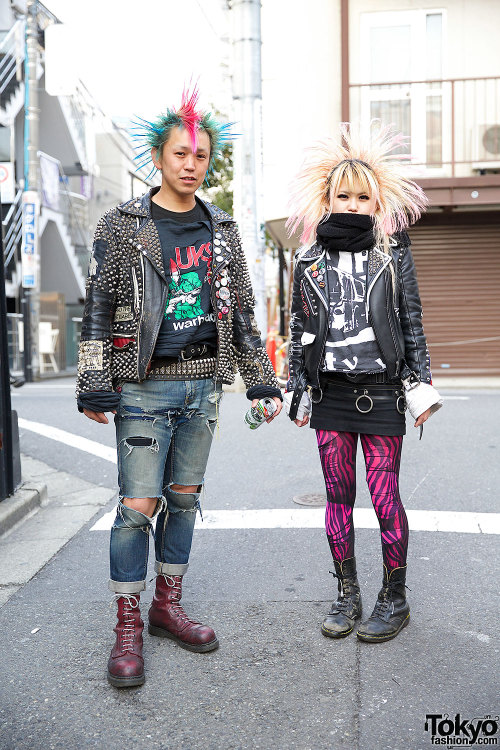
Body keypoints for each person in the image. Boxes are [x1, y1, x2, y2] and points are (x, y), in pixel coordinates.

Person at [77, 87, 282, 687]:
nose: (191, 164)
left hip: (203, 387)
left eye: (201, 156)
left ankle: (167, 606)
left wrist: (262, 383)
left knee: (185, 500)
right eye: (180, 154)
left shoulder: (221, 226)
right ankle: (127, 625)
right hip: (141, 388)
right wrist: (94, 380)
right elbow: (99, 307)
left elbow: (241, 310)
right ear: (158, 157)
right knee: (138, 506)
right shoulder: (124, 225)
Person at [284, 122, 442, 643]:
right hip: (330, 392)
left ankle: (394, 598)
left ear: (378, 204)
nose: (352, 204)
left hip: (381, 391)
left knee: (385, 496)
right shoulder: (306, 259)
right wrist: (297, 389)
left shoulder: (392, 253)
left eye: (362, 197)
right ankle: (346, 593)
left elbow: (411, 321)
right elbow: (298, 327)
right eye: (342, 195)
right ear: (327, 199)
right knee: (336, 497)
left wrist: (419, 385)